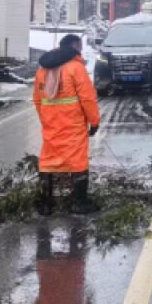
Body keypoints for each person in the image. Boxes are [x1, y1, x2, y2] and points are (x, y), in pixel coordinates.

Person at [33, 34, 101, 215]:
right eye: (80, 47)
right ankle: (79, 203)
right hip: (73, 124)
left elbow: (38, 99)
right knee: (77, 161)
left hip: (51, 125)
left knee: (48, 160)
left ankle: (45, 205)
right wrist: (94, 122)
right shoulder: (76, 68)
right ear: (75, 47)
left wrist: (46, 120)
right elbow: (88, 98)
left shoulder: (42, 70)